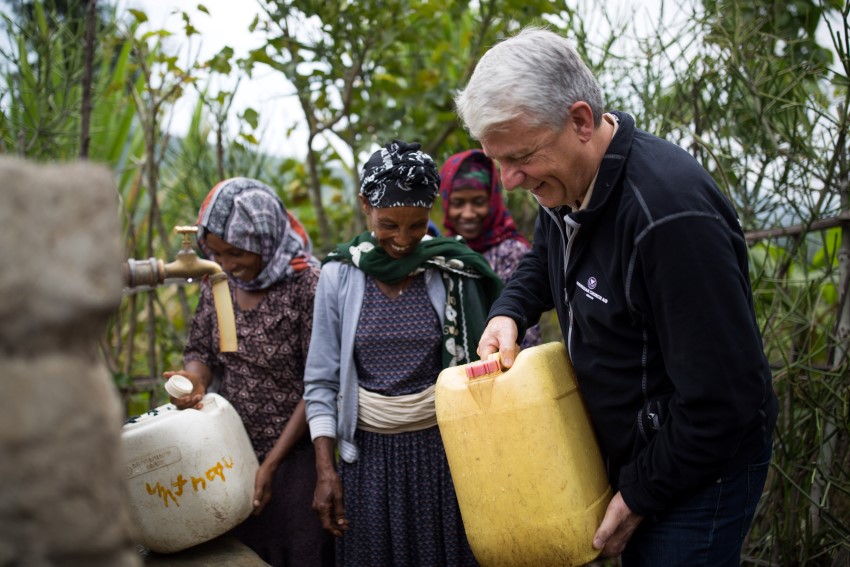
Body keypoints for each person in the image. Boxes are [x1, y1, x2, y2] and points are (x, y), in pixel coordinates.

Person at [454, 27, 779, 566]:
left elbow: (726, 399)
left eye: (522, 157)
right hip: (639, 451)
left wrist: (639, 496)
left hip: (700, 465)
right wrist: (509, 311)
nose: (509, 181)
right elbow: (545, 252)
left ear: (580, 120)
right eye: (498, 161)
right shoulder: (569, 180)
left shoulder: (668, 218)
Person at [303, 140, 503, 567]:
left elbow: (479, 369)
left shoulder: (449, 270)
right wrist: (326, 470)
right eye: (388, 223)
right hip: (368, 460)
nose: (402, 239)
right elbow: (320, 380)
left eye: (416, 225)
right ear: (365, 206)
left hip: (443, 456)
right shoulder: (339, 275)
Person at [163, 177, 333, 567]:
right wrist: (195, 380)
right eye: (217, 253)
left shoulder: (307, 284)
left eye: (237, 253)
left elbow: (319, 383)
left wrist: (271, 463)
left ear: (266, 241)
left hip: (294, 456)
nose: (227, 264)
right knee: (240, 553)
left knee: (299, 549)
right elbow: (202, 350)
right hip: (228, 453)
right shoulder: (218, 280)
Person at [439, 149, 542, 348]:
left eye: (478, 202)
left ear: (493, 201)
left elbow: (525, 331)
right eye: (458, 203)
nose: (468, 214)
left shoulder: (511, 253)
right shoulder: (443, 251)